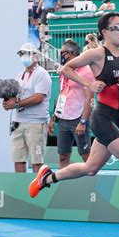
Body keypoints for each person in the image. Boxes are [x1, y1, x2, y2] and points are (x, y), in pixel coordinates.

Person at [28, 12, 119, 233]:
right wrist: (89, 84)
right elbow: (64, 68)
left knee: (90, 168)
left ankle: (47, 178)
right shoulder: (96, 54)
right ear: (104, 32)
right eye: (116, 28)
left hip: (118, 116)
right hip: (101, 117)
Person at [2, 43, 52, 173]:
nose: (24, 57)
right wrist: (8, 101)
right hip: (18, 122)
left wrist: (16, 104)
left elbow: (38, 97)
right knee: (18, 159)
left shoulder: (42, 74)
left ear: (35, 56)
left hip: (36, 122)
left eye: (27, 54)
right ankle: (21, 189)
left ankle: (37, 190)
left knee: (37, 161)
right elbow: (17, 96)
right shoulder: (20, 75)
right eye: (22, 54)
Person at [48, 40, 94, 169]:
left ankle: (93, 185)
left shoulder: (86, 71)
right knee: (63, 156)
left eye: (62, 53)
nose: (60, 56)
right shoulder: (64, 71)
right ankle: (62, 185)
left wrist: (83, 121)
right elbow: (61, 94)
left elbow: (90, 98)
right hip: (63, 119)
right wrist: (53, 118)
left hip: (78, 119)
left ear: (71, 54)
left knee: (86, 156)